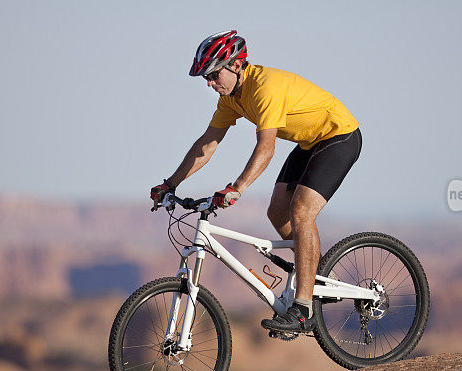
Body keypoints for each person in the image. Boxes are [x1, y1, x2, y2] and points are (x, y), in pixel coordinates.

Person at [150, 30, 361, 333]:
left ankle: (302, 310)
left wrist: (237, 187)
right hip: (309, 143)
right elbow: (207, 144)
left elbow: (267, 147)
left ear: (236, 65)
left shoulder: (264, 88)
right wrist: (170, 184)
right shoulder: (231, 100)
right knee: (277, 213)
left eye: (213, 75)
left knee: (301, 211)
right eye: (205, 79)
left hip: (339, 136)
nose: (209, 84)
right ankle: (314, 275)